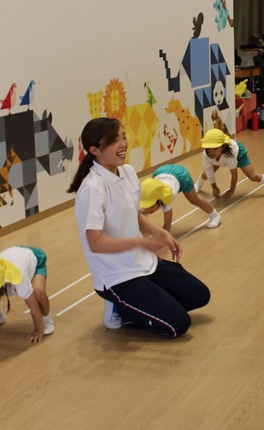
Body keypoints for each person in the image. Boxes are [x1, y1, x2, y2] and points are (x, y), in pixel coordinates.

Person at [68, 117, 211, 337]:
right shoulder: (93, 188)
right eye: (114, 141)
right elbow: (95, 242)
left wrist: (161, 233)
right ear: (94, 150)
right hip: (116, 277)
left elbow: (132, 213)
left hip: (143, 263)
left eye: (123, 137)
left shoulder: (127, 171)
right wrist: (140, 243)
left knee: (200, 295)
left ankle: (141, 302)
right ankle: (122, 309)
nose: (123, 144)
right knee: (179, 325)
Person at [193, 129, 264, 200]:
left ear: (223, 146)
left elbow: (234, 175)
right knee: (206, 174)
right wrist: (214, 187)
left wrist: (231, 190)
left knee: (253, 176)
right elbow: (209, 171)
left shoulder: (230, 155)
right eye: (208, 149)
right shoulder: (207, 155)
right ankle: (197, 185)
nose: (211, 152)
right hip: (221, 157)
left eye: (215, 148)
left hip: (238, 154)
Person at [140, 164, 221, 231]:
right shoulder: (145, 194)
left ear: (159, 201)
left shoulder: (168, 198)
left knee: (194, 200)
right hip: (162, 171)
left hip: (181, 177)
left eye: (151, 207)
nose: (148, 210)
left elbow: (167, 226)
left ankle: (215, 215)